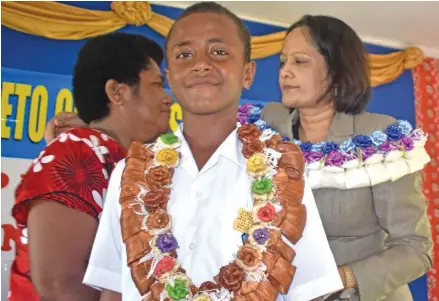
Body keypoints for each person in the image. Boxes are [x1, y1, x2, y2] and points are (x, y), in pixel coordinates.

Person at [81, 3, 343, 301]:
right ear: (169, 77)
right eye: (184, 55)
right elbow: (114, 288)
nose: (201, 64)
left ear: (247, 73)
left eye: (218, 52)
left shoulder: (283, 173)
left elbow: (310, 292)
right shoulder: (128, 175)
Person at [259, 15, 433, 301]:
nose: (285, 72)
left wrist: (341, 279)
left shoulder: (380, 135)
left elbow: (416, 249)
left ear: (337, 72)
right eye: (283, 62)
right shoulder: (268, 125)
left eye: (300, 62)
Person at [8, 32, 172, 301]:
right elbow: (60, 284)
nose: (168, 99)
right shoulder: (76, 151)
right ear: (117, 92)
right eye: (156, 85)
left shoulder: (123, 159)